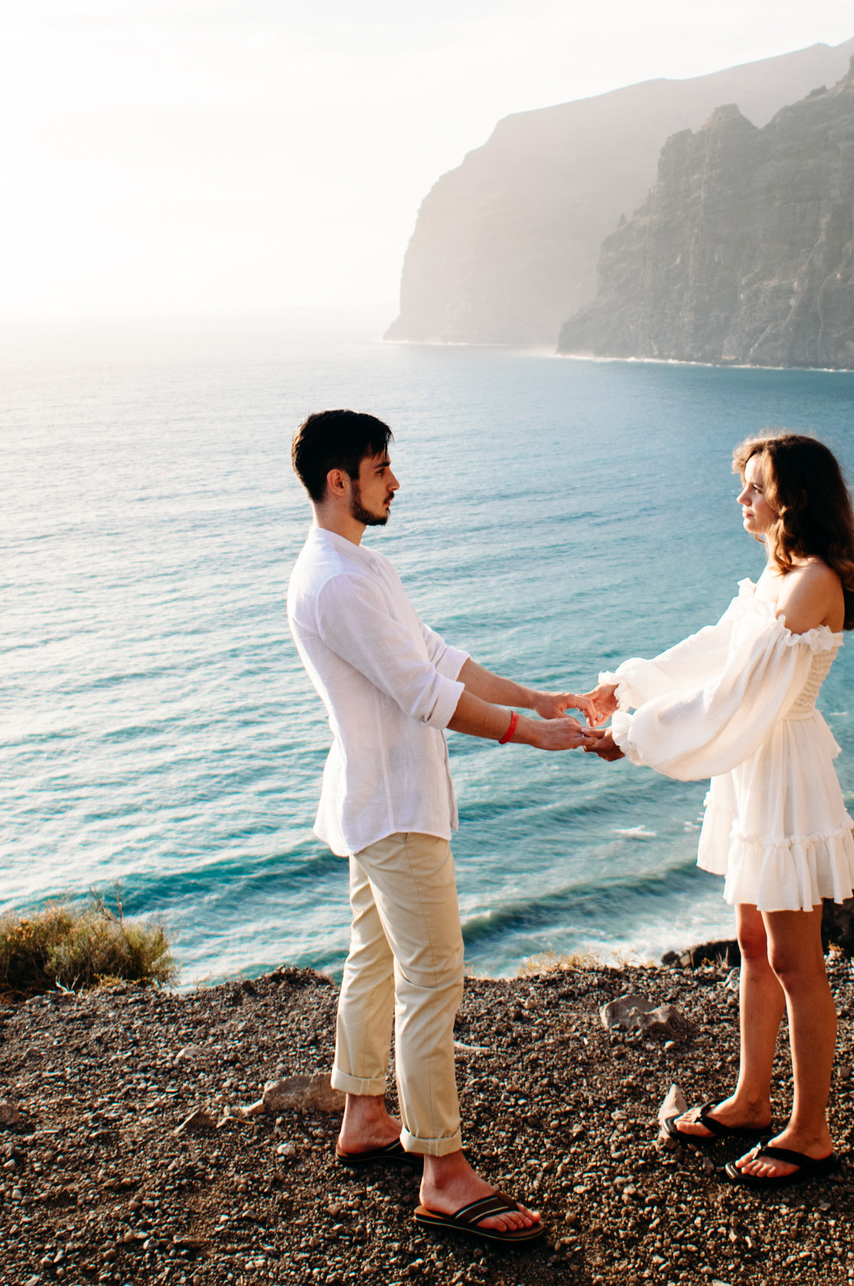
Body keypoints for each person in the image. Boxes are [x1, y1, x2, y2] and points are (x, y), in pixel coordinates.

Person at [284, 409, 608, 1246]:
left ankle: (362, 1111)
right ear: (339, 482)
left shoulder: (359, 566)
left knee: (376, 956)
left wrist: (537, 697)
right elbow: (420, 692)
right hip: (394, 809)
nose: (396, 481)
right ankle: (443, 1169)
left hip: (374, 799)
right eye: (382, 467)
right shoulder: (337, 581)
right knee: (434, 978)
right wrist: (526, 733)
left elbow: (438, 655)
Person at [577, 431, 854, 1184]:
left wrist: (633, 735)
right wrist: (629, 685)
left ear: (793, 497)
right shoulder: (779, 574)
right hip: (753, 766)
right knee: (752, 942)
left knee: (799, 961)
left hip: (783, 772)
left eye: (755, 486)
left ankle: (811, 1131)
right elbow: (716, 650)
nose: (742, 498)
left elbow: (734, 693)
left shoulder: (812, 581)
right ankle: (750, 1100)